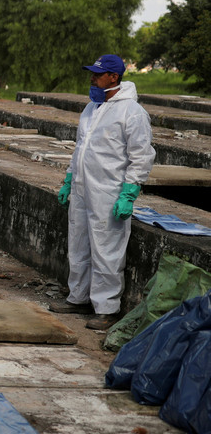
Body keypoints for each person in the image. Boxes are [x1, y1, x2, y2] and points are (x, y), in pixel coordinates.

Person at [51, 54, 156, 330]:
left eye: (98, 75)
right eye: (92, 74)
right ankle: (78, 297)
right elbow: (80, 149)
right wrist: (69, 179)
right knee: (79, 243)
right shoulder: (91, 108)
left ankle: (107, 308)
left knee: (107, 249)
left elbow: (141, 156)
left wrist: (129, 193)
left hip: (109, 192)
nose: (92, 79)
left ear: (114, 77)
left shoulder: (132, 113)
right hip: (83, 188)